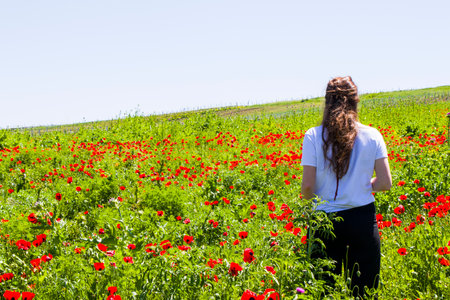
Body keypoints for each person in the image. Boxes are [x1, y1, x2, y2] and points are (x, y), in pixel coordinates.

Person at [300, 76, 392, 298]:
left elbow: (307, 188)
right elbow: (385, 183)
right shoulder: (373, 135)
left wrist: (324, 197)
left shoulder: (313, 136)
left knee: (323, 293)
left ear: (327, 102)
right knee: (363, 293)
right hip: (362, 221)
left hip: (324, 222)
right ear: (355, 101)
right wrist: (361, 186)